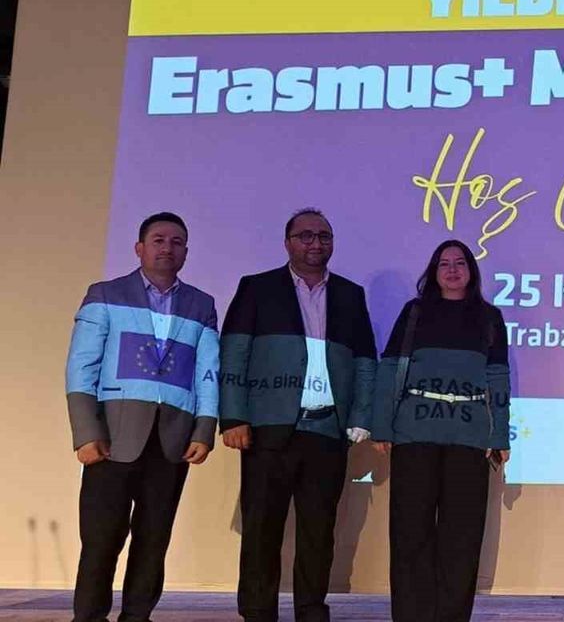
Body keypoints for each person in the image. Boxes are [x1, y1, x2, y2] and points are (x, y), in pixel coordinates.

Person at [218, 208, 377, 622]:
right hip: (268, 428)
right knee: (261, 530)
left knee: (318, 532)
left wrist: (361, 416)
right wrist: (233, 417)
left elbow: (365, 361)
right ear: (287, 242)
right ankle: (257, 612)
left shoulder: (350, 295)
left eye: (324, 236)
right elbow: (234, 353)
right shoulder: (257, 288)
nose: (315, 243)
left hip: (327, 429)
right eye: (305, 235)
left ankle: (311, 611)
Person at [65, 211, 220, 622]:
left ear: (186, 252)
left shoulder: (202, 305)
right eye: (158, 240)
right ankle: (89, 616)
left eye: (177, 242)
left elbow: (208, 372)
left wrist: (204, 428)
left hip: (172, 439)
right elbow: (81, 367)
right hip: (112, 438)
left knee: (154, 541)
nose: (167, 248)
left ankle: (137, 616)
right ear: (139, 248)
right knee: (101, 540)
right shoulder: (105, 294)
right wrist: (86, 432)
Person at [371, 239, 512, 622]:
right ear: (433, 272)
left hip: (469, 440)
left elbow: (498, 377)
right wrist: (382, 425)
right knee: (410, 534)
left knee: (461, 538)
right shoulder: (415, 313)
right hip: (414, 436)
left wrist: (499, 435)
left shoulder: (489, 318)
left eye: (459, 263)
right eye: (444, 264)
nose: (452, 270)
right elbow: (389, 368)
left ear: (471, 271)